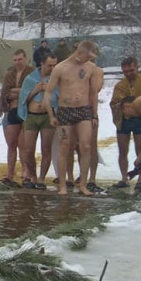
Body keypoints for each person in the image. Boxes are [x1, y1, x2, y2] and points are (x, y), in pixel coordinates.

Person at [43, 40, 100, 196]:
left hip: (84, 109)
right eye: (87, 57)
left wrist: (94, 114)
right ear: (79, 53)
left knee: (86, 146)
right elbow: (47, 93)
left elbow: (93, 92)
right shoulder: (61, 68)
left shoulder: (91, 68)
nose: (88, 60)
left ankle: (83, 184)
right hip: (65, 110)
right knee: (64, 146)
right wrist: (51, 115)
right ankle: (63, 185)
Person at [18, 52, 58, 189]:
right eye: (50, 65)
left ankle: (41, 178)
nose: (52, 68)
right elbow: (23, 99)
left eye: (54, 65)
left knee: (46, 149)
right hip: (32, 115)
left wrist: (50, 92)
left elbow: (60, 97)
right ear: (42, 64)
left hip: (47, 115)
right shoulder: (30, 79)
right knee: (28, 149)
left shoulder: (55, 79)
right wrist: (35, 91)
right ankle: (33, 176)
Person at [110, 57, 141, 189]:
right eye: (125, 71)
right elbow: (113, 103)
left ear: (137, 67)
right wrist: (121, 105)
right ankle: (124, 178)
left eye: (131, 70)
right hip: (124, 120)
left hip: (139, 118)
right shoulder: (120, 85)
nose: (128, 73)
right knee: (122, 150)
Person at [0, 49, 35, 186]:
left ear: (25, 59)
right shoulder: (9, 74)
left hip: (27, 110)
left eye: (19, 59)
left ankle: (27, 172)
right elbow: (5, 93)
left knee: (25, 145)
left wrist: (19, 92)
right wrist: (21, 92)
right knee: (11, 144)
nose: (17, 62)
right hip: (13, 110)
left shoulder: (32, 72)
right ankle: (10, 173)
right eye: (15, 60)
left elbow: (32, 90)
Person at [86, 65, 105, 192]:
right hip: (72, 108)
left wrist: (94, 114)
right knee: (71, 145)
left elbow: (95, 89)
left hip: (88, 108)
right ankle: (70, 177)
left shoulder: (96, 71)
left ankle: (91, 178)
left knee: (91, 145)